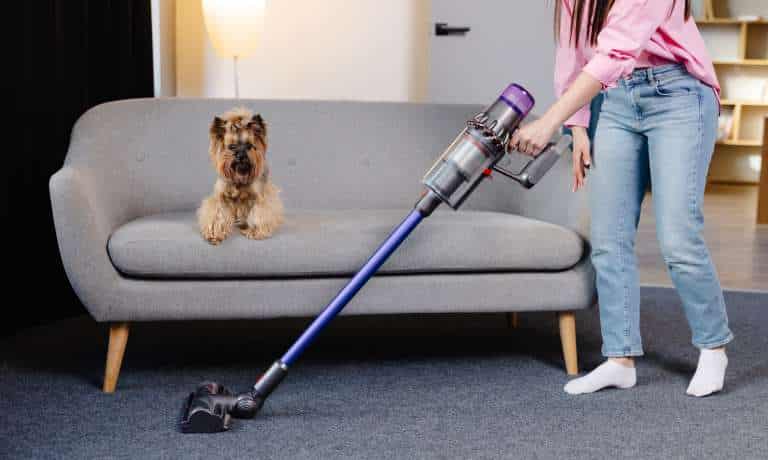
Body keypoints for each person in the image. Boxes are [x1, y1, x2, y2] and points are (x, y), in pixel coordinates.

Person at [509, 0, 733, 397]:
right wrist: (578, 127)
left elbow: (616, 51)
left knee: (678, 238)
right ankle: (620, 359)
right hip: (614, 100)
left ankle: (713, 347)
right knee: (609, 239)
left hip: (678, 94)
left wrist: (549, 122)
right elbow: (572, 50)